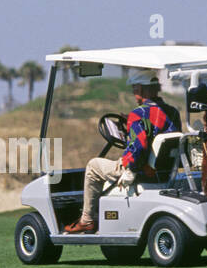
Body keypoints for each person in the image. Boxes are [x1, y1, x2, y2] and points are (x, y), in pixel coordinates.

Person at [64, 70, 181, 234]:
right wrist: (130, 125)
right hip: (163, 171)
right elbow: (156, 129)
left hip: (139, 169)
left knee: (92, 166)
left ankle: (87, 220)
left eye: (134, 89)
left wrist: (130, 169)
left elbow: (139, 145)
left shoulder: (138, 114)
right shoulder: (173, 113)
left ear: (140, 89)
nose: (134, 92)